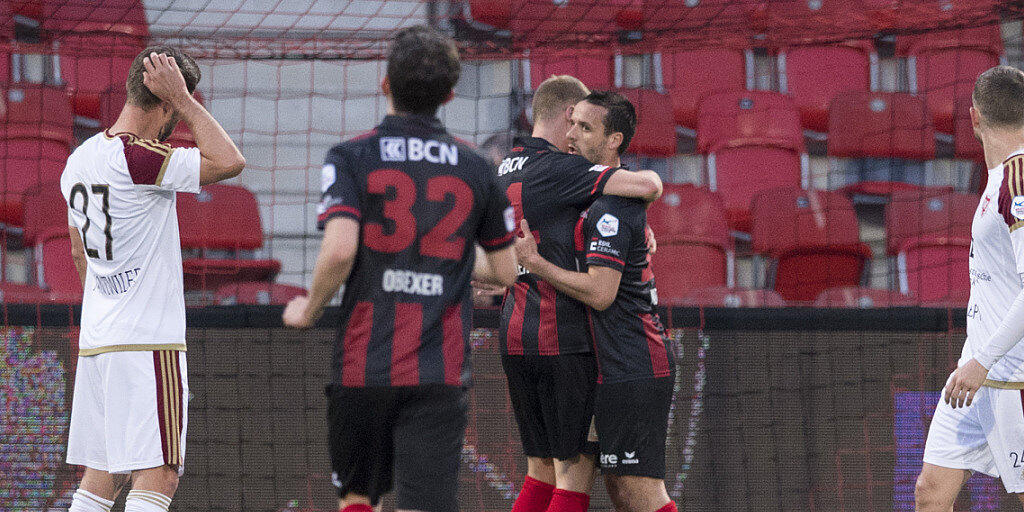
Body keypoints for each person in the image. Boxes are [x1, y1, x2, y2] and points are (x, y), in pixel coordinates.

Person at [281, 25, 518, 512]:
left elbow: (340, 251)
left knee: (357, 499)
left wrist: (309, 309)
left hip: (363, 363)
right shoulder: (477, 168)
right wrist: (445, 255)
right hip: (440, 366)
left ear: (385, 83)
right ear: (451, 94)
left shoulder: (351, 156)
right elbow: (507, 272)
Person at [62, 46, 245, 512]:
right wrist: (186, 101)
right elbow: (229, 161)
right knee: (159, 473)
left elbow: (78, 251)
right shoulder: (141, 159)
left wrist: (110, 300)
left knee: (101, 477)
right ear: (166, 101)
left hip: (100, 341)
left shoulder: (79, 160)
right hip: (146, 342)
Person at [497, 76, 662, 512]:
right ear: (568, 116)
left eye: (586, 129)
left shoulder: (501, 167)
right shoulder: (562, 169)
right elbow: (645, 186)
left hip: (515, 331)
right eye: (578, 124)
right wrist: (643, 209)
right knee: (576, 472)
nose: (574, 137)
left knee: (540, 471)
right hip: (565, 339)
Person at [916, 65, 1024, 511]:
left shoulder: (1018, 181)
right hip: (974, 378)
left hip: (1012, 377)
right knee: (929, 492)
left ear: (974, 117)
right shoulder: (1000, 178)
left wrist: (982, 362)